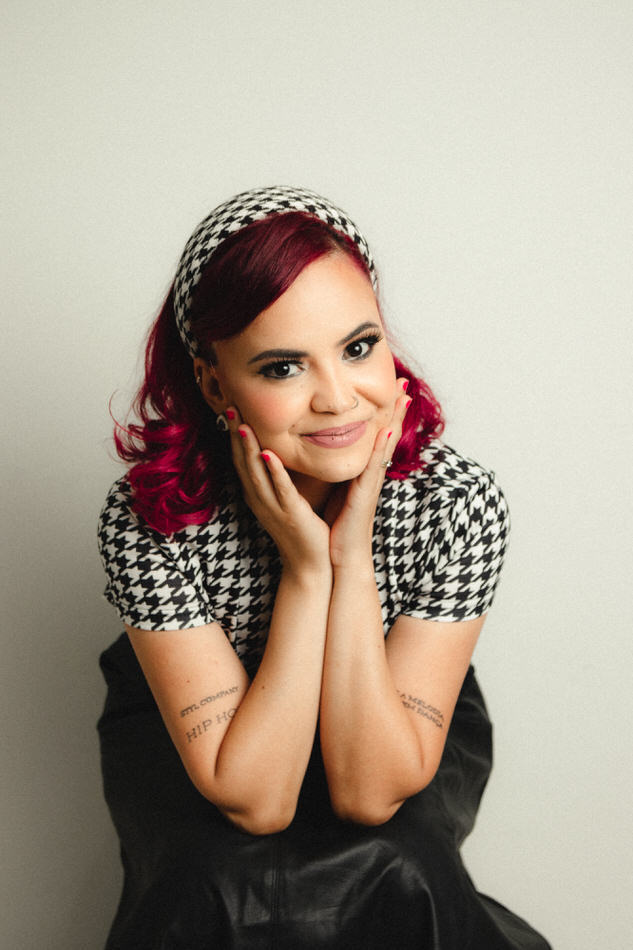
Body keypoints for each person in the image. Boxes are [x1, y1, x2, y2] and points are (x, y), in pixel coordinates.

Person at [97, 185, 550, 949]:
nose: (338, 399)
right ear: (214, 383)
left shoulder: (454, 503)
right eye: (282, 367)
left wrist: (351, 556)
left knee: (398, 861)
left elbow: (370, 795)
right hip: (201, 721)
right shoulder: (151, 518)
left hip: (388, 699)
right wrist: (307, 573)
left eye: (358, 347)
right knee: (211, 878)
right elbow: (256, 802)